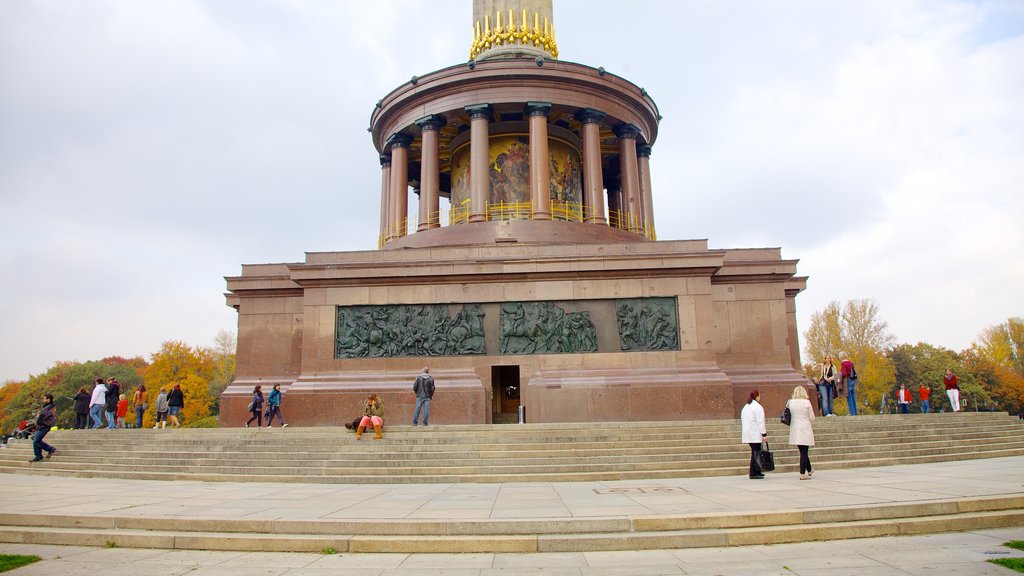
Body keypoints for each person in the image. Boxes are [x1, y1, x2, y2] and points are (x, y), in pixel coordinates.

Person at [787, 386, 816, 480]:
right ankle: (802, 473)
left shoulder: (790, 402)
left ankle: (810, 469)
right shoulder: (806, 402)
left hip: (795, 427)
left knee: (802, 450)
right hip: (804, 427)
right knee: (804, 451)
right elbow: (812, 417)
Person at [740, 389, 767, 479]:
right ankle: (753, 472)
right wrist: (764, 434)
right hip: (755, 433)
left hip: (748, 433)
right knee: (756, 452)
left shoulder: (746, 406)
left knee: (755, 452)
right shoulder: (758, 407)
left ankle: (757, 471)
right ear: (757, 396)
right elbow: (760, 421)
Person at [29, 393, 58, 462]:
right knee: (36, 440)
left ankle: (49, 450)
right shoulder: (46, 406)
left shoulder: (50, 407)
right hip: (42, 425)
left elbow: (44, 416)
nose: (43, 400)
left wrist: (39, 420)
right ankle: (39, 456)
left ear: (49, 399)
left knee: (36, 441)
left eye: (45, 398)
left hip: (45, 426)